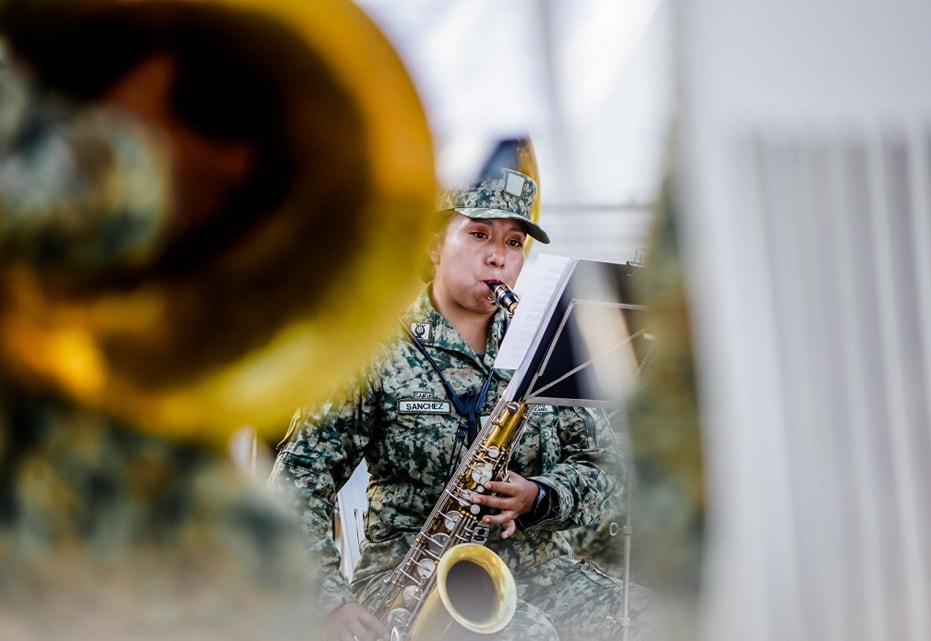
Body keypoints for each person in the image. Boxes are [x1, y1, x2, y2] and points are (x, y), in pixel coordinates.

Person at [0, 0, 433, 637]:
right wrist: (133, 169)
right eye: (215, 101)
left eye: (261, 184)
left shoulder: (204, 526)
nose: (229, 167)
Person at [268, 166, 655, 641]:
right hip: (413, 583)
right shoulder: (370, 350)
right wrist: (328, 598)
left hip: (542, 572)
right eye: (479, 234)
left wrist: (539, 495)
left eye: (514, 243)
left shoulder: (547, 346)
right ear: (434, 246)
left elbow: (607, 470)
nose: (498, 257)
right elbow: (297, 480)